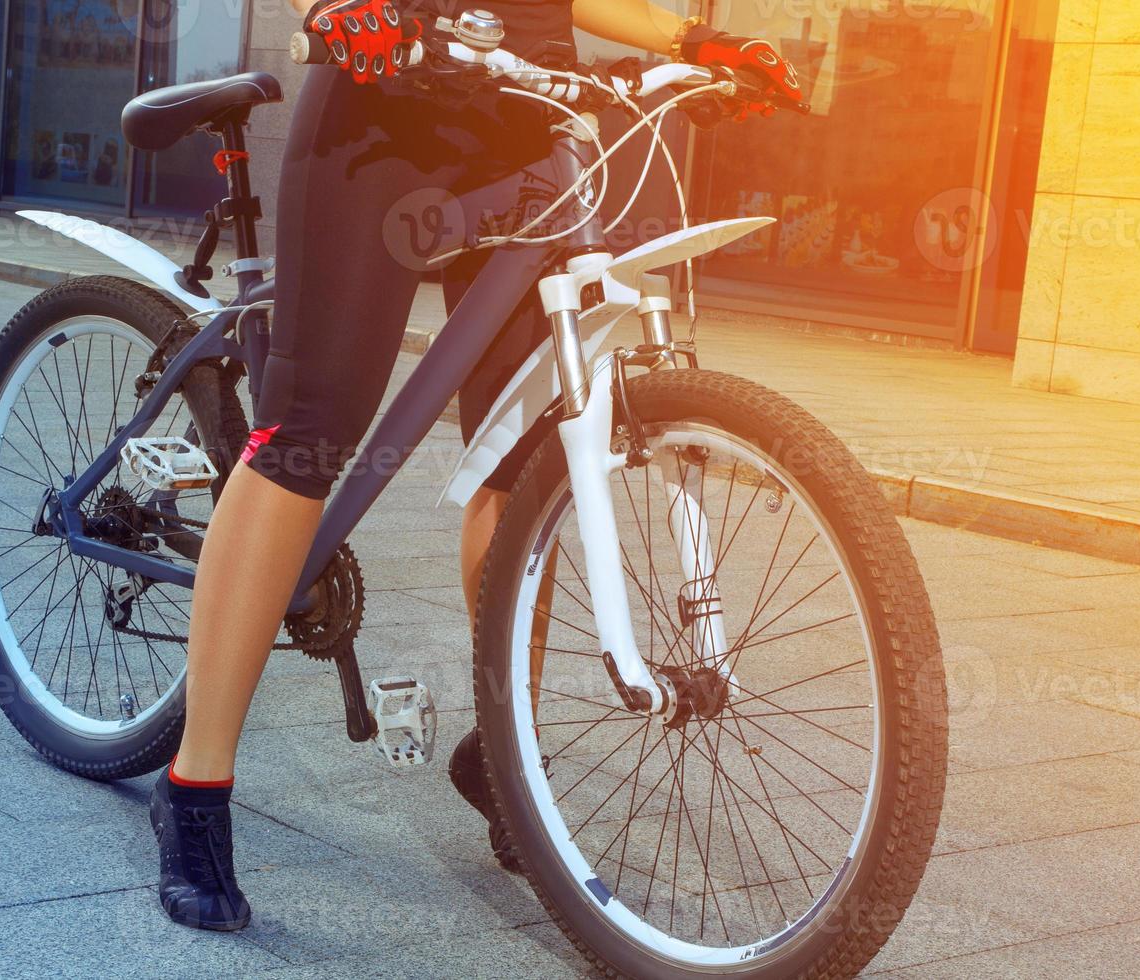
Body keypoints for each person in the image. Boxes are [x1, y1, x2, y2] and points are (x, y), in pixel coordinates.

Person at [149, 0, 803, 931]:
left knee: (521, 458)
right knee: (309, 435)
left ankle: (506, 751)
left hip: (526, 117)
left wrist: (694, 42)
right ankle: (196, 784)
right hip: (384, 111)